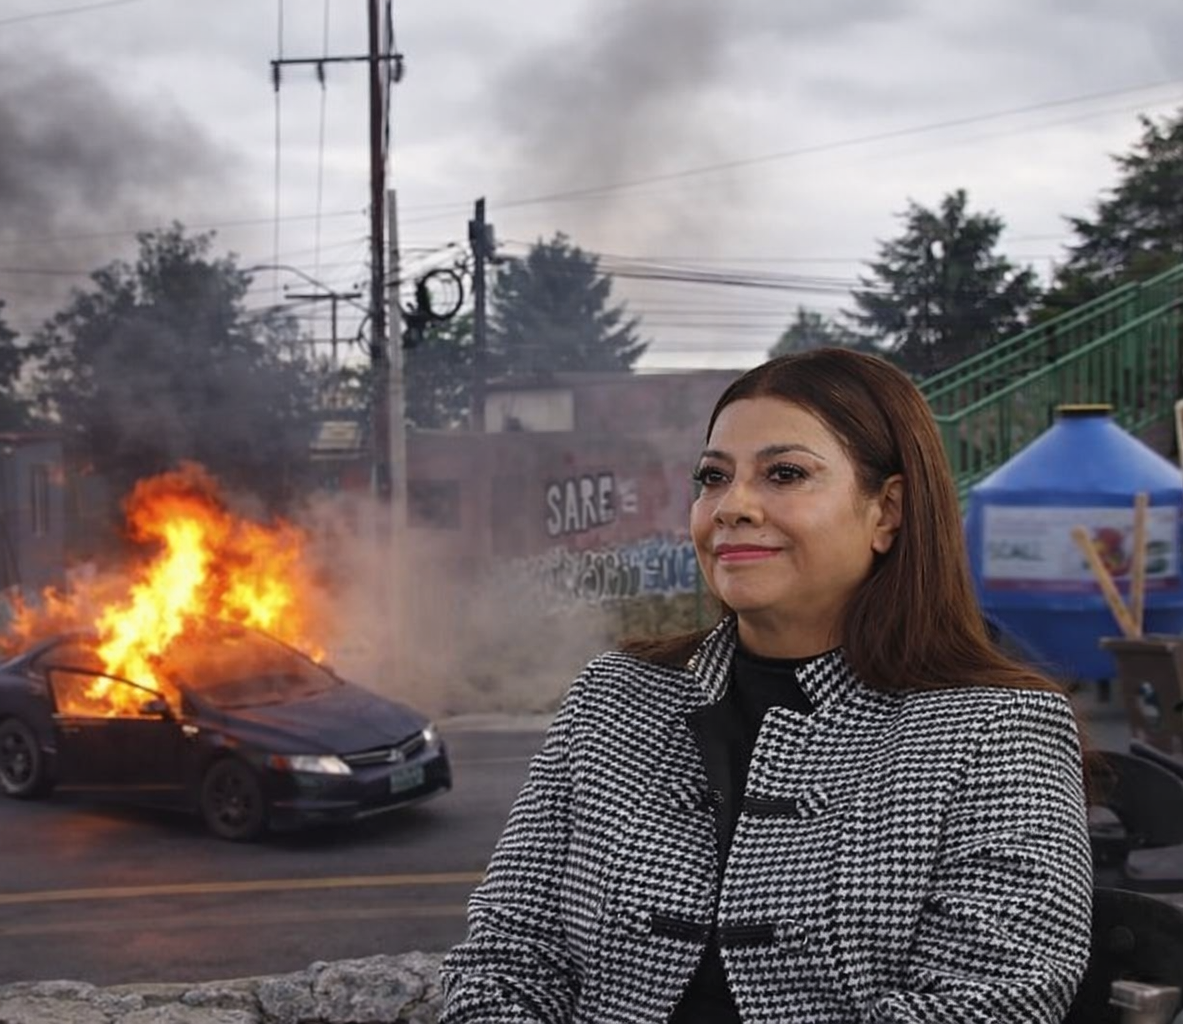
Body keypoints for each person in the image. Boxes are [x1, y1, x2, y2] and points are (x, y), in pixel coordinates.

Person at [440, 348, 1092, 1023]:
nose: (732, 506)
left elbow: (991, 999)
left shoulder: (997, 728)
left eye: (785, 474)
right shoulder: (612, 699)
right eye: (713, 477)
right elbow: (508, 956)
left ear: (887, 511)